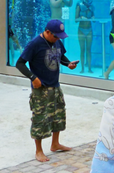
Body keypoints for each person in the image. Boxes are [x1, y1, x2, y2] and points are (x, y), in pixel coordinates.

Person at [15, 19, 78, 162]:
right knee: (40, 119)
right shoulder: (35, 44)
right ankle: (38, 150)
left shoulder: (57, 41)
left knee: (58, 115)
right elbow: (19, 63)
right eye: (56, 36)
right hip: (41, 88)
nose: (58, 39)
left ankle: (55, 144)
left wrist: (68, 64)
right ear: (48, 32)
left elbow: (61, 56)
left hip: (55, 85)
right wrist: (33, 78)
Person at [75, 0, 94, 73]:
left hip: (89, 29)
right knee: (82, 49)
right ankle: (82, 68)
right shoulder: (79, 5)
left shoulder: (92, 6)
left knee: (89, 49)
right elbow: (76, 19)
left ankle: (89, 68)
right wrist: (81, 18)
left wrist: (93, 18)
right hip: (81, 29)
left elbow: (93, 17)